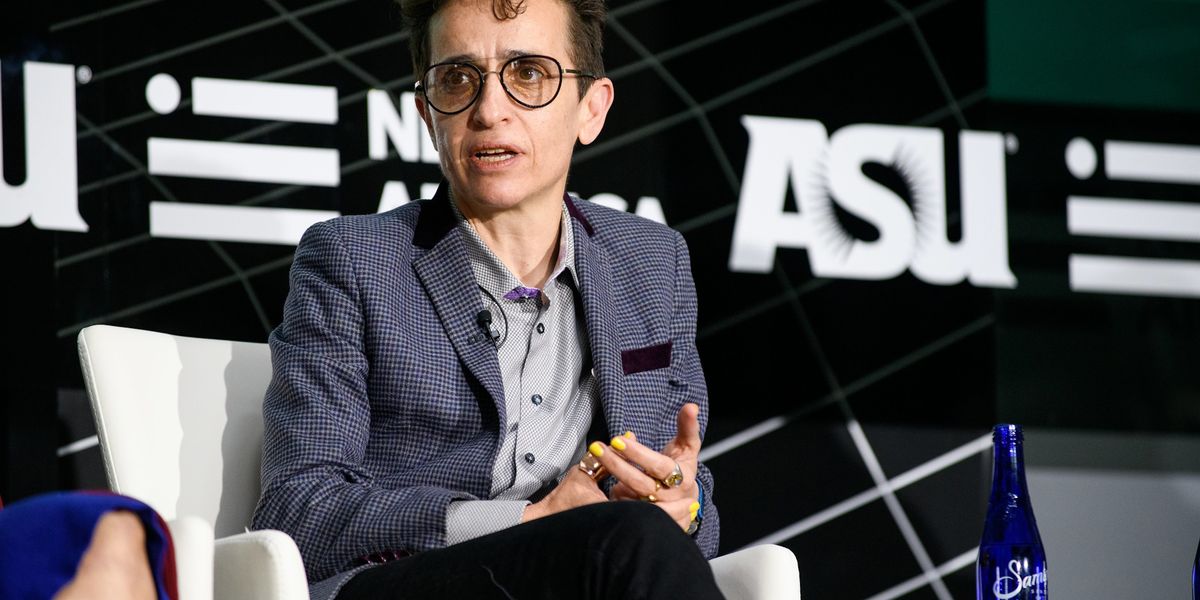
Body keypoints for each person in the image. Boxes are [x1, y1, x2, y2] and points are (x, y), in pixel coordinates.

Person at [251, 0, 723, 598]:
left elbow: (691, 500)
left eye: (528, 73)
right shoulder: (353, 261)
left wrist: (684, 504)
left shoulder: (652, 262)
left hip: (594, 575)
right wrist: (527, 521)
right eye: (457, 78)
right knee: (627, 540)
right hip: (409, 581)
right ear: (427, 115)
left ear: (592, 108)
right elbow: (299, 509)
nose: (489, 110)